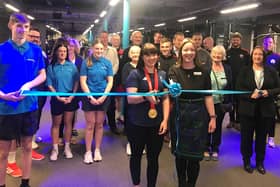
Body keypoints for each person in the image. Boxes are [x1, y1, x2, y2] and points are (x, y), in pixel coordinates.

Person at [0, 12, 46, 187]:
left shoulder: (35, 50)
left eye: (26, 27)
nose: (22, 30)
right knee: (3, 152)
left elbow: (42, 74)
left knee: (27, 147)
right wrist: (3, 95)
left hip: (29, 106)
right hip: (6, 108)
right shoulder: (2, 50)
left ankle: (25, 183)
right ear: (11, 25)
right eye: (19, 26)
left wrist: (29, 84)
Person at [168, 39, 216, 187]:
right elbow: (172, 89)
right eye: (185, 50)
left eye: (191, 50)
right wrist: (173, 89)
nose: (188, 53)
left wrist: (213, 117)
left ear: (195, 52)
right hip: (179, 116)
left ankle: (191, 184)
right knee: (180, 155)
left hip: (199, 116)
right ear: (180, 52)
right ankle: (182, 183)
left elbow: (208, 96)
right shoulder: (173, 71)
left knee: (195, 157)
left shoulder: (203, 72)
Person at [126, 43, 170, 187]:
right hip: (137, 123)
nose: (151, 58)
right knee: (136, 155)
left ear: (158, 56)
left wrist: (165, 120)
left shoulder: (162, 75)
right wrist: (145, 96)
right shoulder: (135, 74)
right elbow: (130, 98)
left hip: (156, 123)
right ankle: (136, 184)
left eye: (154, 54)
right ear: (142, 57)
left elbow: (165, 98)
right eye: (147, 55)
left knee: (153, 158)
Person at [236, 46, 280, 175]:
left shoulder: (271, 71)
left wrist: (268, 92)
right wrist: (250, 95)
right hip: (247, 110)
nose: (257, 57)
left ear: (263, 56)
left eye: (260, 54)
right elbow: (238, 89)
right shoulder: (244, 71)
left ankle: (260, 162)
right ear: (252, 56)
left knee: (261, 138)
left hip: (265, 111)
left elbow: (278, 88)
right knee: (246, 138)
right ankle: (247, 161)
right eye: (255, 54)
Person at [80, 39, 113, 164]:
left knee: (99, 125)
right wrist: (90, 97)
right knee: (90, 125)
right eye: (96, 48)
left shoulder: (107, 63)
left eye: (101, 49)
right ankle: (88, 151)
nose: (99, 51)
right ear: (92, 49)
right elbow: (83, 81)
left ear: (103, 50)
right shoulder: (86, 62)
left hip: (103, 97)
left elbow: (110, 81)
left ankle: (97, 150)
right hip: (89, 97)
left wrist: (104, 96)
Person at [46, 42, 79, 161]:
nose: (63, 53)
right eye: (60, 51)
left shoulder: (72, 66)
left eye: (65, 51)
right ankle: (55, 149)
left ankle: (67, 148)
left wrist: (72, 96)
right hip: (57, 99)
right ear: (56, 52)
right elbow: (49, 84)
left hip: (70, 98)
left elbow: (76, 82)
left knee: (68, 123)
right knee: (56, 124)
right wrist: (58, 96)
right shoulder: (51, 67)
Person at [204, 45, 232, 161]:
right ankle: (205, 147)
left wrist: (230, 101)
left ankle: (215, 148)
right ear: (211, 55)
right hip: (206, 102)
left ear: (223, 56)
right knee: (206, 125)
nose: (217, 56)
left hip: (221, 103)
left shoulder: (228, 68)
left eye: (219, 54)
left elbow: (230, 86)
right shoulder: (206, 68)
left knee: (218, 126)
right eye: (215, 53)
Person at [58, 37, 83, 145]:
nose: (70, 48)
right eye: (68, 46)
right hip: (62, 89)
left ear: (76, 47)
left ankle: (70, 134)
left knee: (72, 113)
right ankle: (59, 135)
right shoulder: (62, 57)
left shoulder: (80, 60)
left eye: (72, 46)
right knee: (61, 114)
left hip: (75, 90)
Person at [225, 32, 250, 128]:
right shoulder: (227, 53)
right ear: (231, 40)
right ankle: (231, 120)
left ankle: (238, 121)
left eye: (237, 40)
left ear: (240, 41)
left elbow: (249, 67)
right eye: (234, 39)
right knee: (231, 101)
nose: (235, 41)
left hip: (241, 83)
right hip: (230, 82)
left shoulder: (245, 53)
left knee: (240, 103)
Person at [99, 31, 121, 135]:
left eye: (105, 37)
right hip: (99, 82)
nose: (104, 39)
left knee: (111, 104)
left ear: (108, 38)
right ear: (100, 38)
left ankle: (113, 126)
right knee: (100, 102)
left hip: (110, 81)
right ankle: (100, 123)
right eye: (102, 37)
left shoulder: (113, 50)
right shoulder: (97, 50)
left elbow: (116, 63)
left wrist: (110, 76)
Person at [121, 45, 141, 155]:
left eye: (137, 52)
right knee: (130, 122)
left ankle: (140, 144)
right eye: (133, 52)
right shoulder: (126, 66)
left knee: (140, 122)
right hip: (130, 99)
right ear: (129, 54)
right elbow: (124, 82)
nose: (135, 55)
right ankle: (130, 143)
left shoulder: (143, 66)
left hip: (142, 100)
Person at [263, 35, 280, 148]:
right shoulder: (260, 55)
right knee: (260, 116)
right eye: (267, 42)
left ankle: (271, 138)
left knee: (271, 115)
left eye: (271, 42)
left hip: (272, 91)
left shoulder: (277, 57)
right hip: (260, 89)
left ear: (274, 44)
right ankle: (261, 137)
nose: (269, 44)